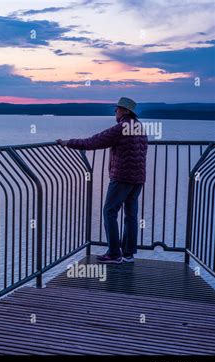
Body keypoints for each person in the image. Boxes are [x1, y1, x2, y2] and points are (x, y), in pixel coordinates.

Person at [57, 97, 148, 264]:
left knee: (109, 212)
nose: (115, 111)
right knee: (131, 215)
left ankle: (114, 253)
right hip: (138, 178)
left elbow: (94, 142)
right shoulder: (139, 127)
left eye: (118, 109)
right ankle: (128, 254)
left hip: (122, 177)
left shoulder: (122, 127)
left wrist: (68, 142)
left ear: (125, 112)